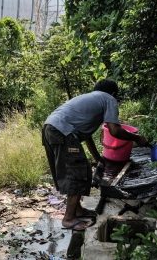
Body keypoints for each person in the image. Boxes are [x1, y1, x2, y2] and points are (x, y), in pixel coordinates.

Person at [42, 79, 149, 231]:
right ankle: (69, 218)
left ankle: (77, 210)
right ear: (113, 93)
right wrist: (137, 138)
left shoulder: (90, 99)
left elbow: (87, 137)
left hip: (50, 128)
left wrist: (99, 159)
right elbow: (115, 130)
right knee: (79, 172)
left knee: (74, 170)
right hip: (62, 131)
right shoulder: (109, 99)